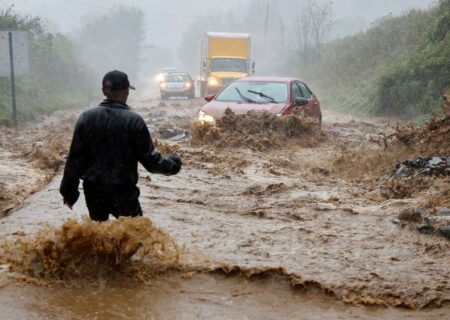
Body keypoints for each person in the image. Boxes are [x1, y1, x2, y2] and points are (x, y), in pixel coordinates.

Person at [60, 70, 181, 221]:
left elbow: (74, 160)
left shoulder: (86, 118)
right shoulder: (134, 121)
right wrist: (173, 163)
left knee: (99, 236)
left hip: (93, 191)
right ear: (126, 92)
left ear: (103, 91)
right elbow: (151, 162)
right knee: (134, 237)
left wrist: (69, 192)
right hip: (123, 191)